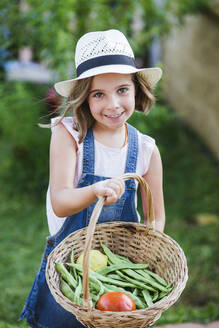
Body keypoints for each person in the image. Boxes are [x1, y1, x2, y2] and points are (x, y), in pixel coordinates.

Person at [19, 29, 165, 328]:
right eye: (99, 94)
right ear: (85, 98)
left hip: (117, 275)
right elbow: (61, 202)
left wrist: (147, 255)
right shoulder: (69, 134)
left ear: (137, 90)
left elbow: (155, 217)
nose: (113, 104)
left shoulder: (146, 150)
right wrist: (95, 190)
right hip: (69, 270)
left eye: (122, 90)